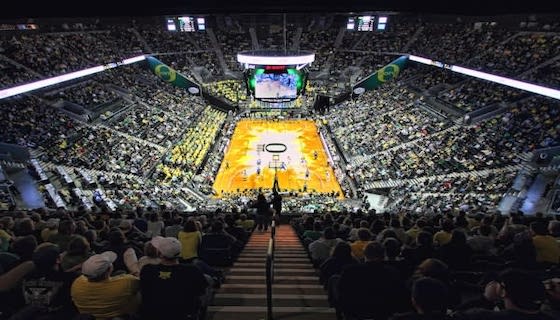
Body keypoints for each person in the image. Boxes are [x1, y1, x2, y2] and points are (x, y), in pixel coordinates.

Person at [140, 236, 210, 320]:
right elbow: (202, 292)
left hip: (152, 315)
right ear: (179, 252)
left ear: (159, 253)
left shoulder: (147, 270)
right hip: (183, 315)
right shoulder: (192, 270)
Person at [71, 251, 141, 319]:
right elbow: (141, 282)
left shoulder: (77, 283)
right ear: (109, 270)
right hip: (119, 316)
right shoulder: (127, 282)